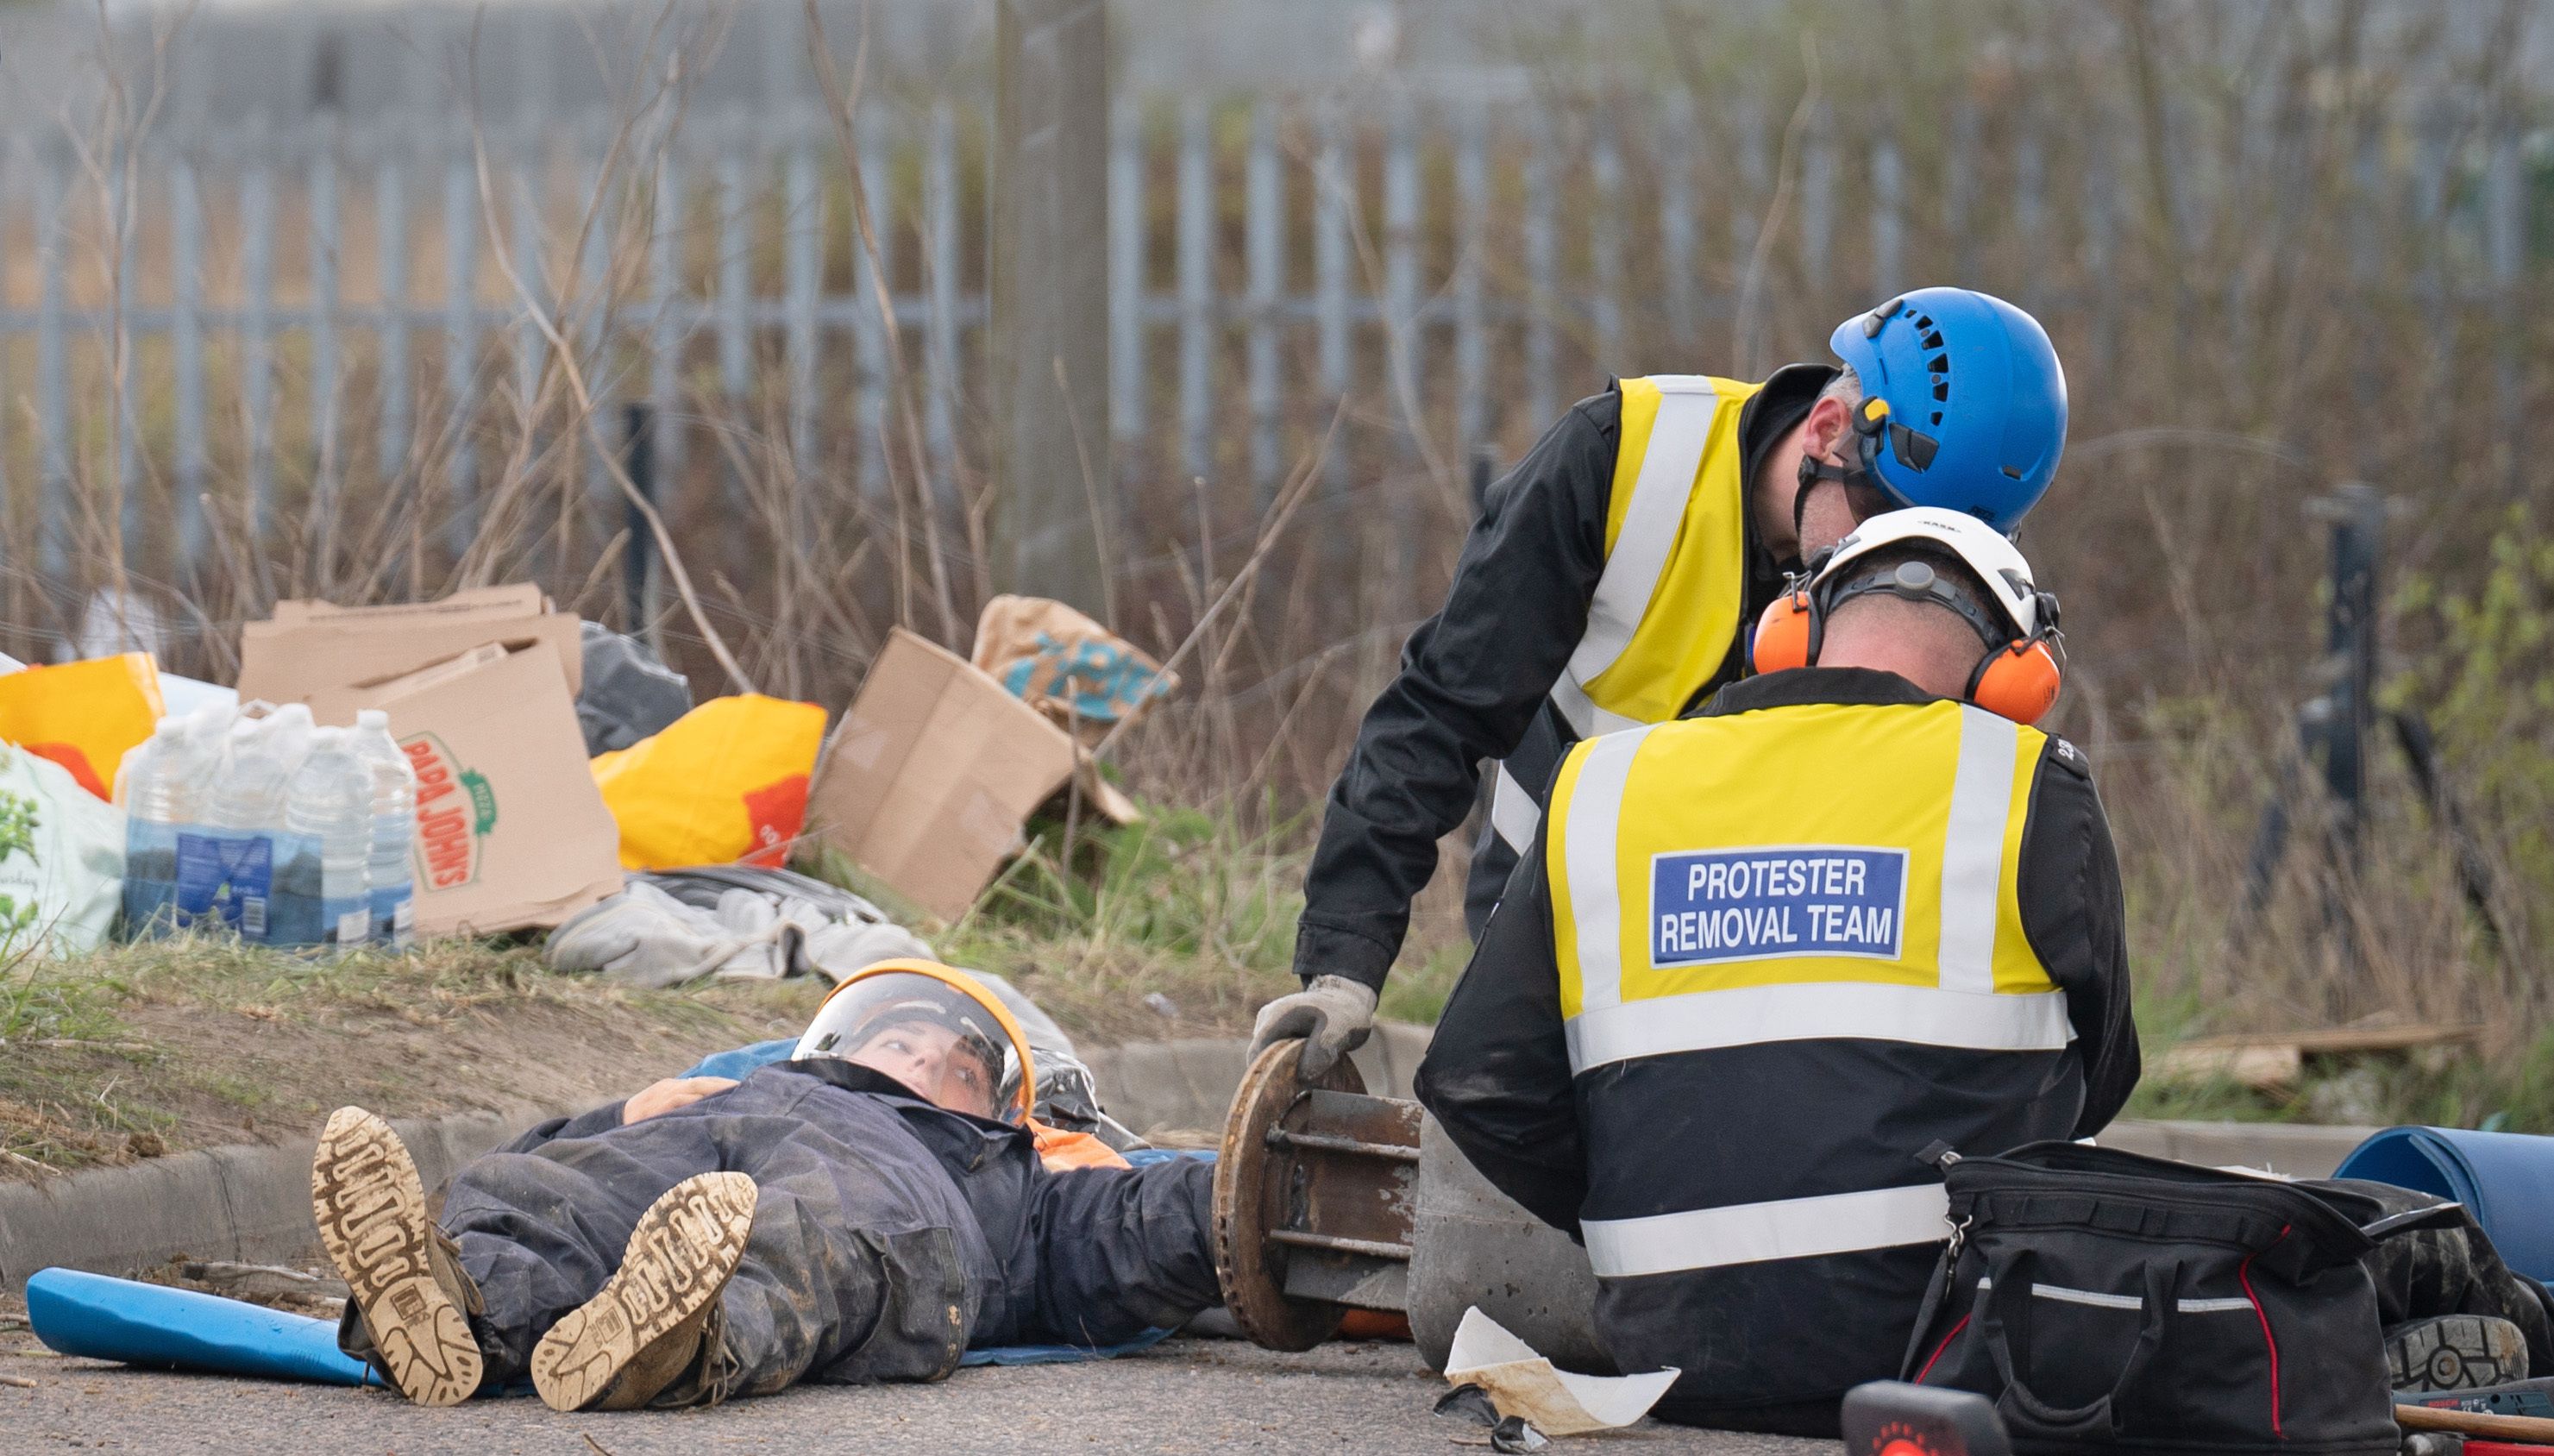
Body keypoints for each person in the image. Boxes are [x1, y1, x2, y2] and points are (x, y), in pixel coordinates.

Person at [1413, 509, 2139, 1435]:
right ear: (2016, 677)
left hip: (1671, 1360)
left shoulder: (1606, 781)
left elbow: (1475, 1082)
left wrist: (1653, 1203)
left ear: (1793, 627)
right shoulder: (2027, 783)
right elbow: (2105, 1076)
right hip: (1943, 1359)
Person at [1254, 288, 2072, 1078]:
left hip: (1781, 935)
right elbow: (1442, 709)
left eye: (1932, 553)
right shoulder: (1625, 457)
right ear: (1828, 429)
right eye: (1881, 525)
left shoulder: (1941, 594)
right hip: (1554, 904)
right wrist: (1343, 962)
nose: (1891, 572)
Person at [310, 961, 1222, 1412]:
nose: (919, 1059)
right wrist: (630, 1110)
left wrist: (1256, 1193)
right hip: (725, 1128)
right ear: (846, 1041)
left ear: (997, 1110)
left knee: (805, 1231)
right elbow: (542, 1163)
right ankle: (451, 1303)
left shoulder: (1014, 1180)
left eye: (956, 1065)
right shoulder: (731, 1083)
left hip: (891, 1188)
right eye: (900, 1039)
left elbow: (1144, 1218)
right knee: (553, 1187)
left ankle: (681, 1332)